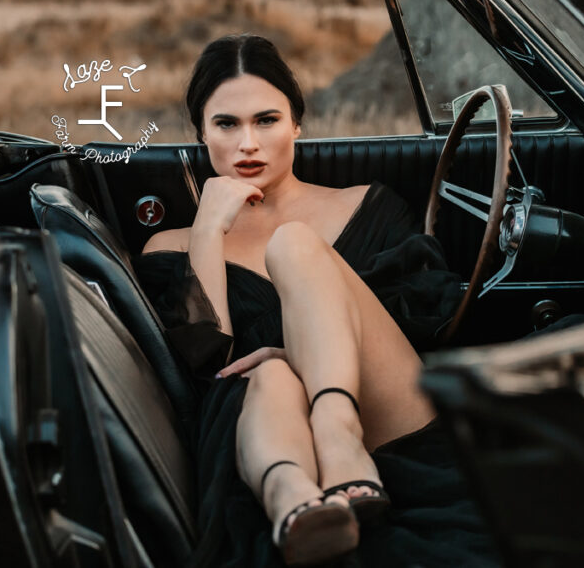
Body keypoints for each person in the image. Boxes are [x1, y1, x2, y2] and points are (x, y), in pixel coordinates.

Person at [135, 34, 495, 567]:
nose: (248, 144)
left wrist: (307, 355)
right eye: (226, 124)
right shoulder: (170, 245)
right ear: (201, 134)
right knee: (268, 377)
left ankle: (337, 430)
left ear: (297, 125)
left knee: (296, 244)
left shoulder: (367, 206)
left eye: (266, 120)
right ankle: (295, 504)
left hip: (388, 419)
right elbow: (203, 363)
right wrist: (208, 227)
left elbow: (423, 326)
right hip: (260, 425)